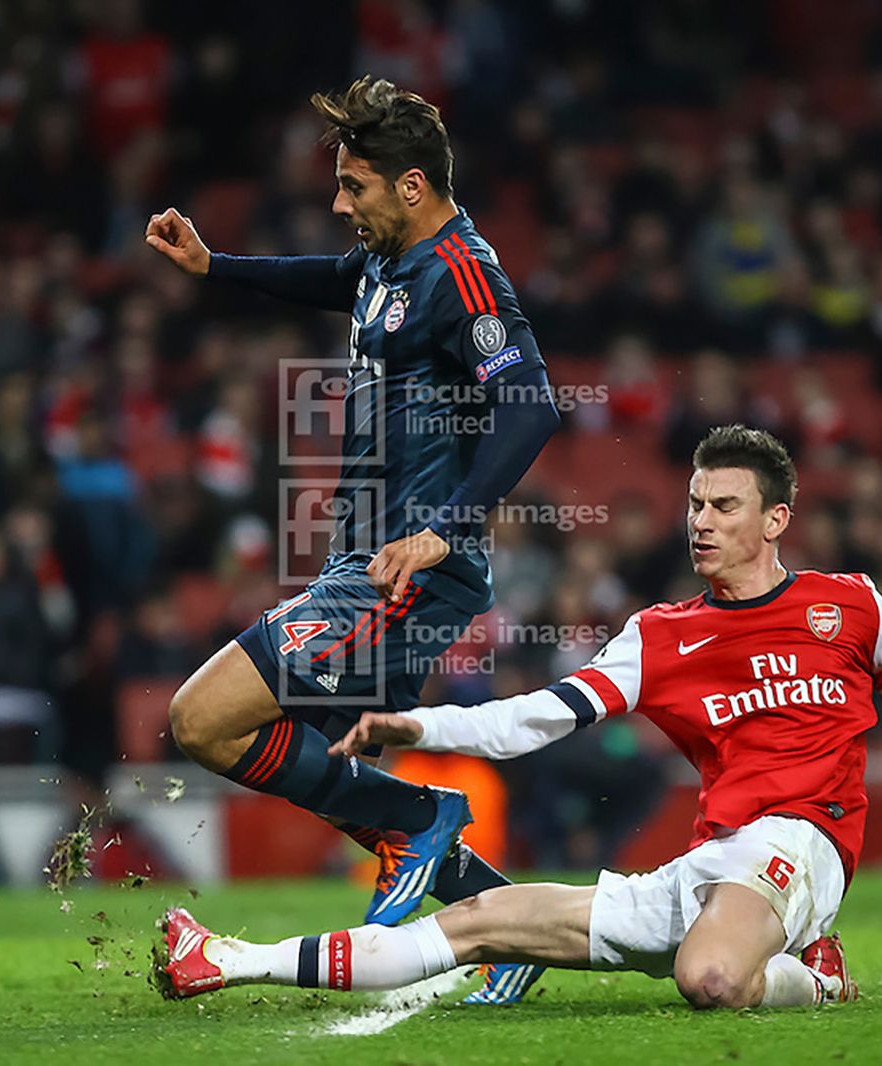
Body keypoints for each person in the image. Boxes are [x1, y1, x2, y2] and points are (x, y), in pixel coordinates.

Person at [154, 425, 882, 1010]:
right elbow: (541, 718)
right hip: (711, 863)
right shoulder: (660, 633)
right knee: (478, 924)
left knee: (708, 978)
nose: (702, 522)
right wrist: (419, 730)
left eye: (725, 506)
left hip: (803, 845)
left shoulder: (849, 605)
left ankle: (799, 972)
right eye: (696, 505)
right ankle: (228, 959)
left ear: (774, 518)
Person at [144, 77, 560, 1003]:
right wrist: (217, 267)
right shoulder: (386, 262)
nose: (339, 204)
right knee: (327, 767)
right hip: (360, 560)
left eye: (354, 187)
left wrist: (443, 533)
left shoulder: (464, 273)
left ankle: (419, 822)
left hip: (404, 571)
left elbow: (529, 406)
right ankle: (508, 927)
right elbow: (335, 282)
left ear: (412, 186)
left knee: (201, 720)